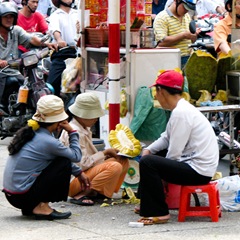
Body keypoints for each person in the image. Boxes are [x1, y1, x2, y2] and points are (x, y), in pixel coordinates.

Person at [134, 70, 219, 225]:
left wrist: (164, 175)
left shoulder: (181, 113)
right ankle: (147, 202)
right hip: (194, 164)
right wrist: (148, 150)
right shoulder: (180, 109)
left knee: (148, 163)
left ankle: (158, 212)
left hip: (198, 171)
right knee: (150, 155)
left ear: (160, 91)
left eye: (156, 92)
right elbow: (166, 138)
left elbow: (174, 152)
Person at [2, 95, 90, 220]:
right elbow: (76, 156)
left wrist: (78, 172)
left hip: (14, 195)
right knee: (64, 162)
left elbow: (53, 160)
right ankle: (42, 207)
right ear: (59, 122)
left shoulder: (32, 133)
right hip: (22, 196)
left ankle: (32, 206)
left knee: (59, 160)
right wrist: (72, 133)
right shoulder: (48, 141)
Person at [60, 92, 129, 205]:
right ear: (83, 115)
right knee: (115, 166)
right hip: (74, 179)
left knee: (123, 161)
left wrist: (105, 155)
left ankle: (100, 192)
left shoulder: (84, 128)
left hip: (85, 173)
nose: (96, 119)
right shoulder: (74, 131)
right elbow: (81, 164)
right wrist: (104, 153)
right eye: (94, 116)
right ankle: (82, 194)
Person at [0, 2, 57, 106]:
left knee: (28, 86)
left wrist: (45, 44)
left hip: (14, 71)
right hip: (1, 72)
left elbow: (30, 39)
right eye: (5, 17)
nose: (9, 19)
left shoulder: (16, 31)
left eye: (11, 17)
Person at [47, 0, 80, 97]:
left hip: (78, 53)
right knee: (52, 84)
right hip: (62, 53)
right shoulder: (55, 15)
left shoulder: (77, 13)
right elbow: (55, 30)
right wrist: (59, 39)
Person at [154, 0, 200, 68]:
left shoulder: (186, 16)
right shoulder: (161, 18)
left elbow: (191, 41)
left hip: (189, 58)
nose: (186, 11)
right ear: (176, 1)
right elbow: (161, 42)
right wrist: (183, 35)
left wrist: (194, 35)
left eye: (188, 10)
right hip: (171, 61)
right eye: (185, 8)